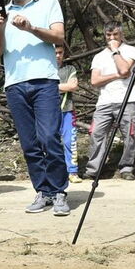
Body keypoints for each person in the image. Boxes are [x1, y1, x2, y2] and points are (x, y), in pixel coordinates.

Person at [0, 0, 69, 215]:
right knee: (29, 143)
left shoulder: (48, 3)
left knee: (49, 136)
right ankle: (43, 191)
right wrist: (0, 28)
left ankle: (59, 191)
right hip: (14, 83)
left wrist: (31, 28)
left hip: (44, 80)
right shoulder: (3, 12)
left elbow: (59, 37)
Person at [84, 22, 135, 181]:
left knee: (129, 134)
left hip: (127, 99)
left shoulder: (129, 50)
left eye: (115, 34)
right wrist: (116, 76)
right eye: (108, 35)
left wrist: (116, 51)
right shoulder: (99, 56)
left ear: (121, 35)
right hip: (104, 102)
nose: (111, 38)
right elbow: (95, 81)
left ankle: (126, 167)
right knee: (97, 134)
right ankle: (94, 169)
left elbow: (124, 69)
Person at [55, 45, 82, 183]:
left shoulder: (69, 69)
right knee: (50, 142)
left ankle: (72, 171)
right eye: (55, 53)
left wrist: (51, 87)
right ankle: (55, 171)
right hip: (49, 112)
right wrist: (62, 87)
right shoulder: (44, 70)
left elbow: (72, 86)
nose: (58, 55)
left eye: (60, 52)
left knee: (69, 140)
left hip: (67, 110)